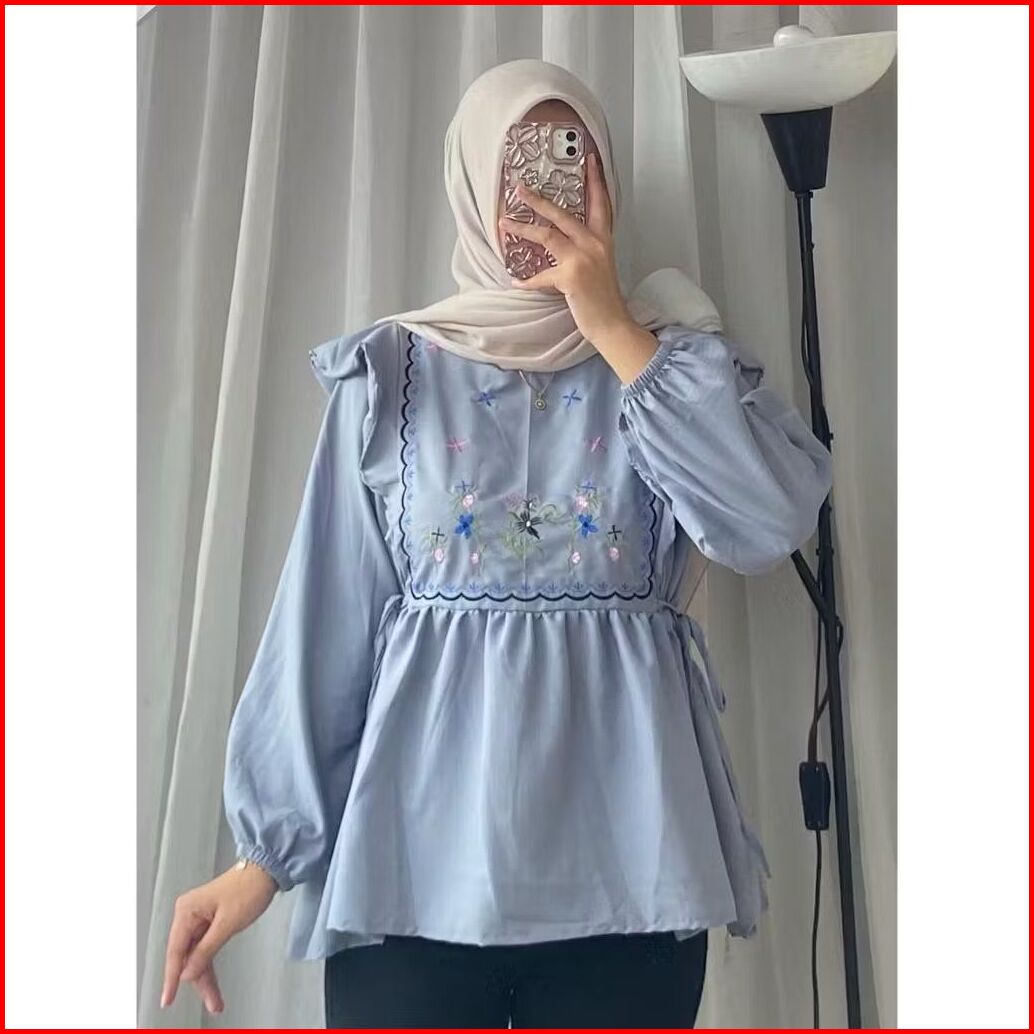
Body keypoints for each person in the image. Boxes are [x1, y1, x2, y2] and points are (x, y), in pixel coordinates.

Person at [161, 59, 834, 1029]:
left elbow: (768, 522)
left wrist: (611, 324)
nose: (545, 195)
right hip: (413, 881)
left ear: (606, 179)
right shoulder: (389, 376)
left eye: (570, 160)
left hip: (631, 883)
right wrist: (261, 858)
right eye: (522, 165)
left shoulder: (672, 367)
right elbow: (326, 619)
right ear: (476, 181)